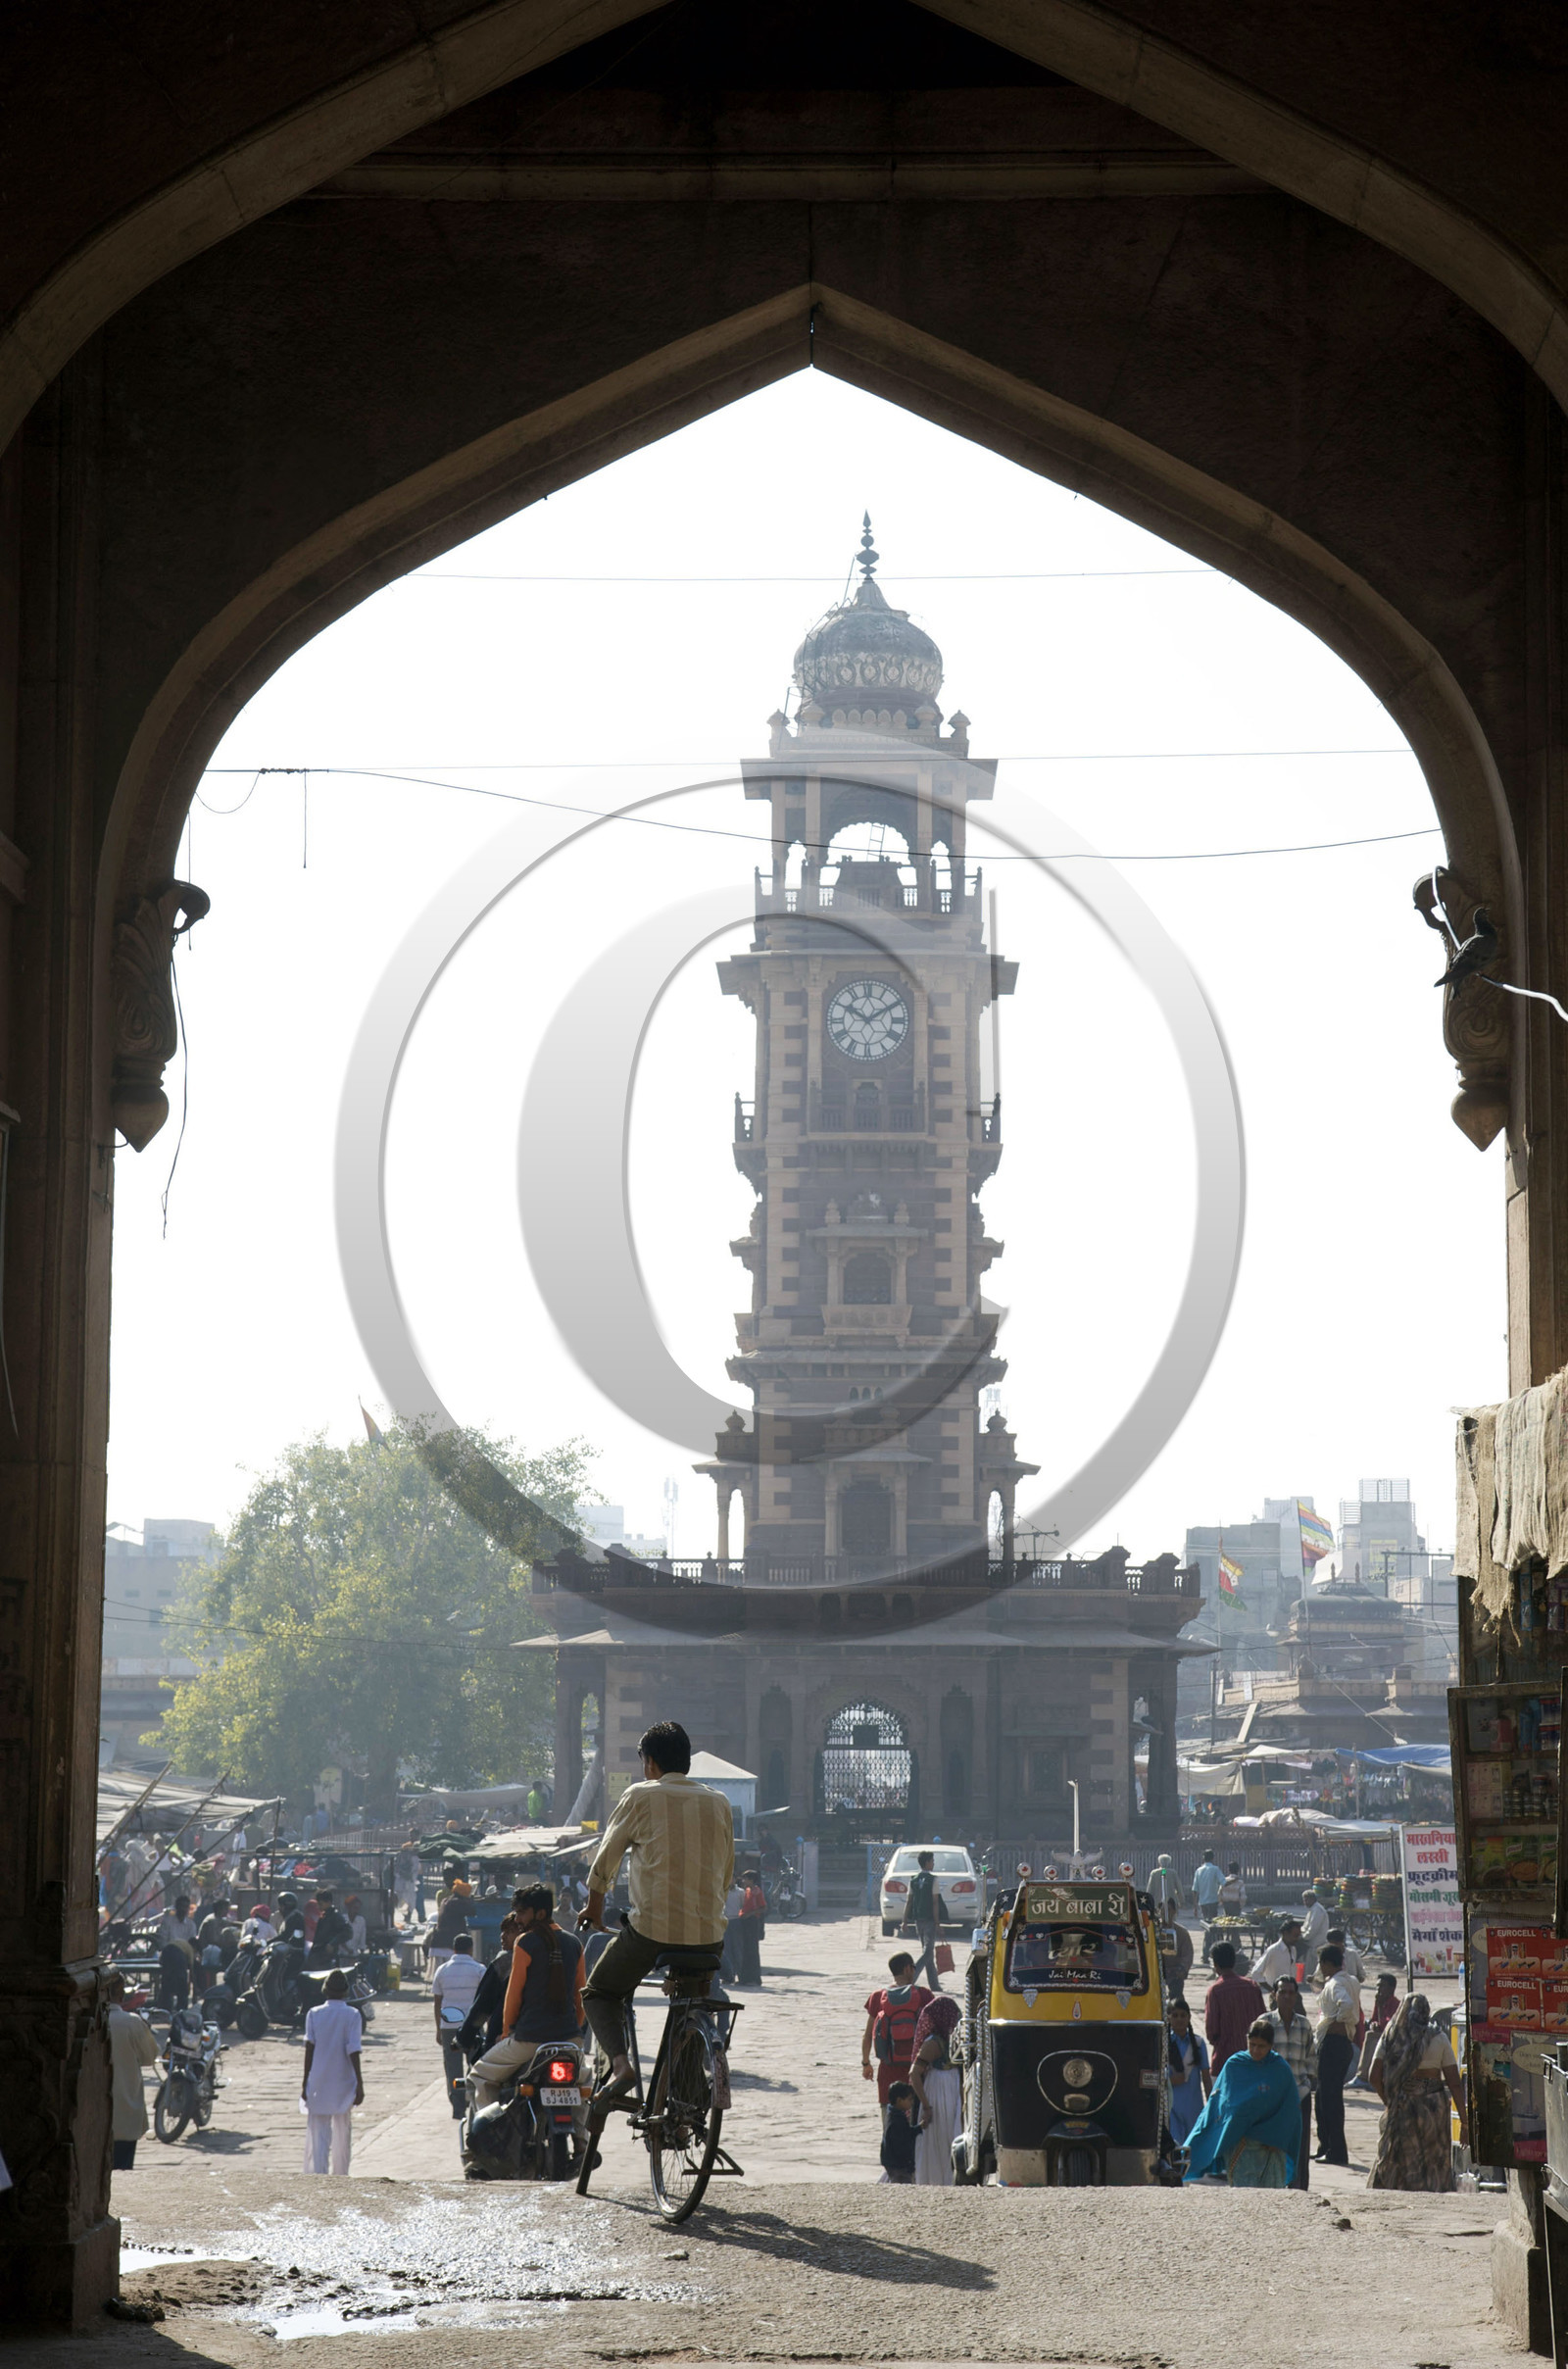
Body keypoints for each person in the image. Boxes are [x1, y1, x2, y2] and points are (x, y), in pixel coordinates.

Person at [577, 1722, 733, 2098]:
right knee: (692, 2000)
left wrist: (593, 1907)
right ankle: (688, 2103)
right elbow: (726, 1875)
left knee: (599, 1992)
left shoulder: (641, 1796)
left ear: (649, 1764)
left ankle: (620, 2066)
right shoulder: (719, 1802)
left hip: (651, 1933)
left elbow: (607, 1858)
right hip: (709, 1937)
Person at [471, 1883, 587, 2105]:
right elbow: (580, 1996)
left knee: (481, 2074)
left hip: (529, 2040)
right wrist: (574, 2031)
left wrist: (506, 2033)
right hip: (569, 2039)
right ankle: (581, 2138)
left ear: (540, 1913)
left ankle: (494, 2135)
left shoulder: (525, 1942)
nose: (517, 1920)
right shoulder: (574, 1943)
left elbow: (513, 1995)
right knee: (584, 2083)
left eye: (522, 1913)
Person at [1182, 2015, 1300, 2187]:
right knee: (1243, 2196)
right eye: (1252, 2044)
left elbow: (1290, 2109)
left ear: (1271, 2046)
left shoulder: (1280, 2070)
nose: (1256, 2050)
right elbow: (1222, 2103)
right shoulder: (1235, 2065)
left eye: (1261, 2046)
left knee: (1271, 2198)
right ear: (1246, 2040)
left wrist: (1279, 2139)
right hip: (1241, 2145)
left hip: (1270, 2148)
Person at [1368, 1994, 1465, 2191]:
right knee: (1434, 2159)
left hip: (1402, 2106)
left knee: (1402, 2160)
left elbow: (1373, 2076)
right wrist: (1465, 2122)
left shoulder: (1392, 2036)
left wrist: (1389, 2101)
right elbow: (1454, 2083)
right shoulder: (1439, 2038)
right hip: (1434, 2109)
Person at [300, 1967, 365, 2174]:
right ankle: (340, 2174)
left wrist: (305, 2082)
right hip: (343, 2079)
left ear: (325, 1990)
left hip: (319, 2079)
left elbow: (309, 2049)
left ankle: (318, 2174)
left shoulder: (314, 2014)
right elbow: (353, 2050)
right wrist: (360, 2083)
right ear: (346, 1991)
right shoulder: (353, 2015)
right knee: (342, 2131)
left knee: (318, 2132)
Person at [861, 1952, 935, 2105]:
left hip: (888, 2071)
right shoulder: (924, 1995)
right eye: (914, 1968)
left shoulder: (878, 1997)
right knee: (916, 2121)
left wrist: (866, 2063)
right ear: (908, 1968)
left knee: (890, 2121)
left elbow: (868, 2035)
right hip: (918, 2071)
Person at [1268, 1976, 1318, 2191]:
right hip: (1273, 2098)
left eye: (1291, 1992)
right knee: (1272, 2145)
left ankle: (1298, 2191)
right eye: (1282, 1992)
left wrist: (1308, 2085)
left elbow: (1312, 2058)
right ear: (1274, 1995)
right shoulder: (1264, 2023)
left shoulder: (1304, 2025)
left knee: (1300, 2147)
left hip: (1300, 2095)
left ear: (1297, 1996)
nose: (1287, 1997)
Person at [1312, 1944, 1361, 2166]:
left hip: (1333, 2043)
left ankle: (1335, 2150)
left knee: (1329, 2099)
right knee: (1325, 2097)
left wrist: (1338, 2022)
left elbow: (1347, 2004)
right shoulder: (1351, 1980)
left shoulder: (1335, 1983)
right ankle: (1327, 2145)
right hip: (1342, 2045)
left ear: (1325, 1964)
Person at [106, 1972, 160, 2172]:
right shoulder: (131, 2022)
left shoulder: (89, 2022)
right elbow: (149, 2057)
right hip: (125, 2111)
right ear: (122, 1995)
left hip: (92, 2115)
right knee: (122, 2169)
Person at [908, 1994, 962, 2186]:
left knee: (936, 2139)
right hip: (952, 2088)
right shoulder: (957, 2040)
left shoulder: (933, 2042)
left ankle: (935, 2180)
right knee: (948, 2136)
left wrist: (926, 2106)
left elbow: (914, 2074)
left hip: (937, 2091)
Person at [432, 1932, 486, 2119]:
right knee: (475, 2063)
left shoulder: (442, 1970)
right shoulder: (479, 1970)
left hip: (449, 2026)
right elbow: (485, 1999)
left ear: (454, 1949)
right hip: (473, 2026)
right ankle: (471, 2098)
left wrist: (439, 2029)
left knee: (452, 2066)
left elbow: (438, 2002)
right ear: (471, 1949)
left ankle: (457, 2105)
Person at [1204, 1941, 1265, 2077]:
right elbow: (1263, 2022)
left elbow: (1212, 2032)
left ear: (1215, 1964)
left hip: (1225, 2062)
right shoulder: (1252, 1986)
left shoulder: (1215, 1990)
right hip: (1254, 2060)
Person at [1165, 1997, 1210, 2149]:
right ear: (1168, 2017)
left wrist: (1211, 2103)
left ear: (1189, 2017)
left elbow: (1205, 2076)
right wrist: (1170, 2080)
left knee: (1193, 2148)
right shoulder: (1164, 2043)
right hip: (1172, 2106)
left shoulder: (1197, 2043)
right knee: (1175, 2147)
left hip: (1194, 2106)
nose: (1179, 2019)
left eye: (1183, 2015)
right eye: (1175, 2015)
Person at [901, 1851, 944, 1991]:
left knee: (928, 1952)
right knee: (928, 1952)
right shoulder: (933, 1880)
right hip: (930, 1919)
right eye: (932, 1861)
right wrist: (938, 1923)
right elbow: (935, 1902)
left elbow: (909, 1902)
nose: (933, 1863)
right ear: (926, 1863)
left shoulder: (913, 1879)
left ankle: (934, 1985)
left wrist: (904, 1920)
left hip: (919, 1919)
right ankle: (911, 1976)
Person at [1358, 1970, 1400, 2084]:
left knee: (1370, 2036)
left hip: (1394, 2039)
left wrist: (1380, 2007)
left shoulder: (1396, 2005)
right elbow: (1374, 2020)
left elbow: (1387, 2027)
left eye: (1382, 1986)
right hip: (1382, 2036)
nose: (1378, 1990)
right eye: (1377, 1987)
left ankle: (1362, 2076)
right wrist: (1373, 2024)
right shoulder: (1380, 2002)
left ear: (1391, 1989)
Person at [1250, 1918, 1304, 1995]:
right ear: (1285, 1934)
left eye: (1298, 1936)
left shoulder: (1293, 1950)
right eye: (1295, 1936)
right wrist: (1272, 1990)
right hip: (1278, 1995)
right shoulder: (1273, 1950)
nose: (1297, 1939)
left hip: (1292, 1993)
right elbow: (1256, 1973)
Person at [880, 2081, 919, 2185]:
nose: (911, 2103)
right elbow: (903, 2139)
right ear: (899, 2100)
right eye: (909, 2099)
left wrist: (919, 2128)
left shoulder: (893, 2114)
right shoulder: (895, 2119)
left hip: (892, 2162)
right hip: (898, 2164)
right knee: (902, 2184)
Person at [736, 1868, 766, 1988]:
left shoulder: (757, 1892)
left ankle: (754, 1978)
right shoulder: (747, 1891)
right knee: (744, 1950)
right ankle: (745, 1977)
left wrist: (751, 1913)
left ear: (751, 1880)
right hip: (745, 1921)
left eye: (746, 1879)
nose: (743, 1881)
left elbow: (763, 1908)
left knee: (752, 1950)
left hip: (752, 1921)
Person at [307, 1889, 351, 1967]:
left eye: (321, 1904)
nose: (318, 1907)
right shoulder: (322, 1916)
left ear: (329, 1902)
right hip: (317, 1955)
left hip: (327, 1959)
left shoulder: (335, 1916)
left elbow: (347, 1932)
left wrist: (332, 1944)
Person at [1192, 1851, 1223, 1928]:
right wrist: (1234, 1880)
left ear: (1203, 1859)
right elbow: (1223, 1882)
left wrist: (1195, 1907)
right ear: (1213, 1858)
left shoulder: (1198, 1870)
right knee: (1213, 1923)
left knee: (1206, 1923)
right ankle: (1211, 1939)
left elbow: (1195, 1890)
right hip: (1213, 1901)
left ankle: (1207, 1939)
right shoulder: (1215, 1869)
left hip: (1203, 1902)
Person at [1147, 1852, 1181, 1922]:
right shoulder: (1173, 1873)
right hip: (1171, 1902)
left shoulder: (1154, 1873)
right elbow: (1179, 1888)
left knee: (1157, 1920)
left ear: (1159, 1862)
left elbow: (1149, 1889)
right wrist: (1181, 1900)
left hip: (1157, 1902)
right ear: (1169, 1862)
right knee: (1171, 1920)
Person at [1299, 1889, 1330, 1963]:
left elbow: (1312, 1929)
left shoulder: (1317, 1910)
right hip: (1311, 1941)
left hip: (1316, 1943)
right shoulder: (1313, 1909)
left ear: (1312, 1899)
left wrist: (1303, 1938)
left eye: (1306, 1900)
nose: (1305, 1903)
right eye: (1304, 1901)